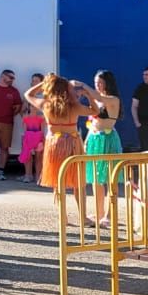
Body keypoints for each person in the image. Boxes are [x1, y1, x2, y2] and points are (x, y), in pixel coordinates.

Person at [26, 74, 101, 225]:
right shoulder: (74, 106)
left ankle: (63, 217)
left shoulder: (45, 105)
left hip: (54, 144)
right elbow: (95, 111)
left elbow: (28, 94)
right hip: (73, 143)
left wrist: (45, 83)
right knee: (78, 182)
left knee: (57, 180)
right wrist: (88, 95)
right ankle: (83, 217)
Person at [84, 70, 124, 226]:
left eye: (100, 82)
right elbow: (91, 123)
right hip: (95, 139)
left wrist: (84, 87)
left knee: (109, 178)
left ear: (108, 83)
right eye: (95, 83)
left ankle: (109, 214)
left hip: (107, 139)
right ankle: (99, 212)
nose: (97, 86)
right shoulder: (96, 100)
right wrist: (86, 140)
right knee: (96, 178)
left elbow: (99, 97)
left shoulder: (113, 99)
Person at [17, 101, 45, 184]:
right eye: (32, 106)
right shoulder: (25, 117)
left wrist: (42, 140)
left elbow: (42, 131)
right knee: (27, 157)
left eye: (36, 106)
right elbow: (24, 131)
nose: (34, 108)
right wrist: (24, 141)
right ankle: (28, 175)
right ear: (29, 107)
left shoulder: (41, 118)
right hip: (28, 139)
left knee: (38, 158)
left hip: (38, 139)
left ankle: (38, 176)